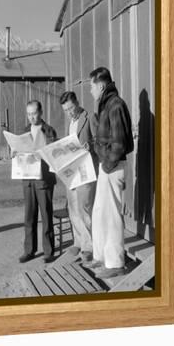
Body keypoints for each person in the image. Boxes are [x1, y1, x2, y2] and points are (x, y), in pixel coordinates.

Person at [88, 67, 134, 279]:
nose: (90, 91)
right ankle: (100, 256)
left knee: (112, 216)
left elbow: (121, 144)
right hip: (106, 166)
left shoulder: (115, 105)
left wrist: (107, 164)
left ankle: (115, 263)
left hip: (112, 167)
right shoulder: (106, 104)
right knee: (99, 213)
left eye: (91, 86)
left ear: (101, 86)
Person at [59, 91, 98, 263]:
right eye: (66, 110)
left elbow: (100, 139)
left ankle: (90, 247)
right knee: (73, 209)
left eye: (71, 108)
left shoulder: (89, 117)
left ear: (77, 103)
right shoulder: (70, 123)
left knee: (85, 209)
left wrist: (91, 144)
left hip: (86, 170)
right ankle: (79, 241)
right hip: (72, 171)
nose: (69, 113)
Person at [18, 100, 58, 264]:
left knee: (46, 215)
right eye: (28, 114)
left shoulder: (49, 131)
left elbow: (55, 154)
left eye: (34, 113)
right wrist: (15, 153)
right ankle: (29, 250)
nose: (31, 117)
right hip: (28, 179)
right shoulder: (24, 131)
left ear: (41, 113)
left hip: (43, 179)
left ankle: (48, 251)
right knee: (29, 216)